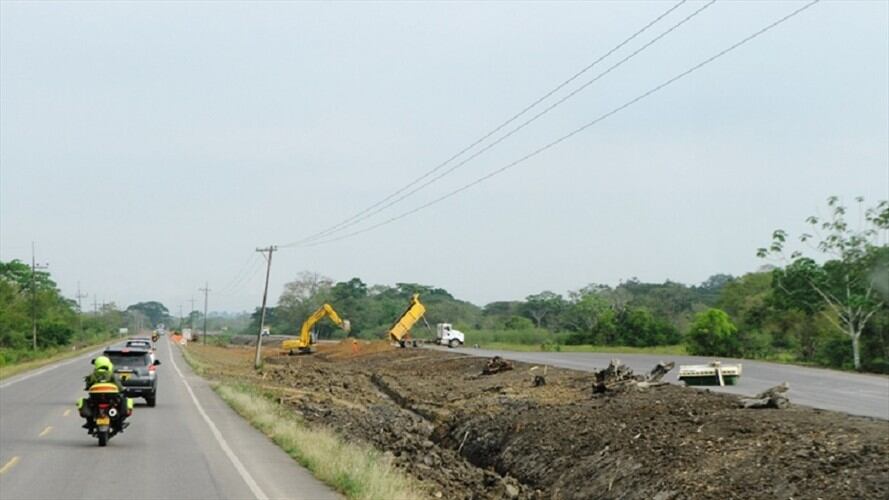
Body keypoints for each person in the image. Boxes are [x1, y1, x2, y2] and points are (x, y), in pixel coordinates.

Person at [78, 356, 130, 431]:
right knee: (122, 402)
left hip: (96, 397)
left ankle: (90, 424)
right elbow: (118, 385)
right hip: (110, 397)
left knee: (89, 405)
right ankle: (119, 424)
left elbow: (88, 385)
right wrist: (121, 389)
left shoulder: (93, 374)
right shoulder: (111, 374)